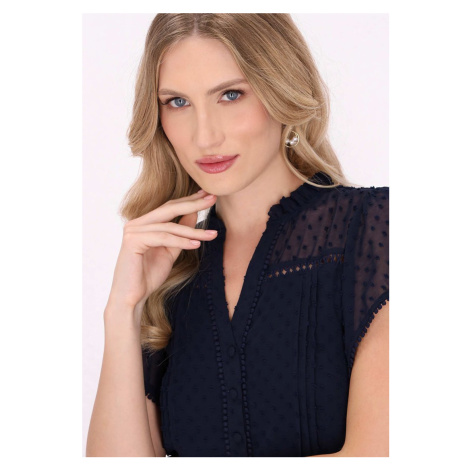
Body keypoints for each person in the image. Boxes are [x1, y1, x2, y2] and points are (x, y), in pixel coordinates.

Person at [86, 13, 389, 457]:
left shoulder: (377, 232)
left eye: (231, 95)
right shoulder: (170, 275)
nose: (205, 136)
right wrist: (122, 310)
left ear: (281, 90)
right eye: (177, 102)